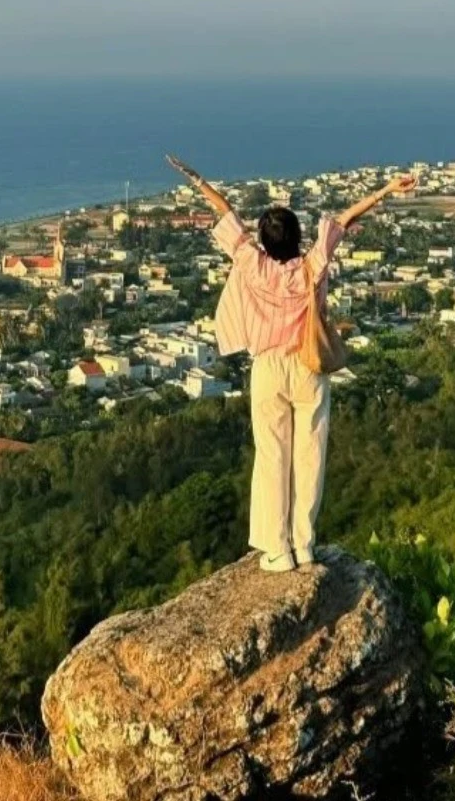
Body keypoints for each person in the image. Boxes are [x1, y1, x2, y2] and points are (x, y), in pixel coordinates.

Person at [166, 155, 416, 572]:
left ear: (263, 240)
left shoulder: (251, 263)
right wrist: (387, 190)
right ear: (297, 237)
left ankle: (277, 548)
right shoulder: (311, 266)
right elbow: (341, 220)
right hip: (308, 365)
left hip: (267, 368)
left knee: (272, 455)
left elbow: (225, 212)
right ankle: (304, 543)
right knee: (309, 453)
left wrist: (196, 180)